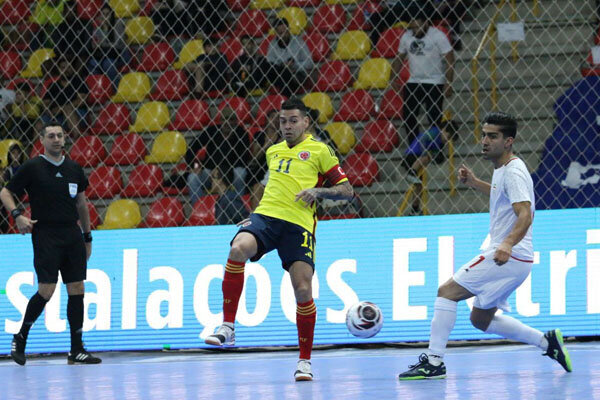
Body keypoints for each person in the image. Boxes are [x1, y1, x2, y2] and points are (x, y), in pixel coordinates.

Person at [397, 112, 572, 380]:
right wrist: (475, 183)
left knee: (446, 292)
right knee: (480, 320)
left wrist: (507, 245)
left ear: (509, 141)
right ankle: (547, 342)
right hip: (515, 259)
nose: (485, 141)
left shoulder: (513, 170)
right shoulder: (504, 169)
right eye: (484, 135)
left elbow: (526, 214)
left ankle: (434, 362)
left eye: (493, 136)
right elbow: (504, 195)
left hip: (508, 255)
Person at [203, 98, 354, 381]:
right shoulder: (273, 151)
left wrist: (317, 193)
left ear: (306, 122)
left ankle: (305, 362)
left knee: (303, 290)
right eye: (283, 121)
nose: (287, 126)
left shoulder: (320, 151)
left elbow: (347, 191)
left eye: (293, 120)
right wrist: (253, 215)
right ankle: (227, 326)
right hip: (267, 218)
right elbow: (267, 187)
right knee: (238, 249)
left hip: (298, 227)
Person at [0, 121, 101, 366]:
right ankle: (20, 336)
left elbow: (81, 205)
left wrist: (87, 237)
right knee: (46, 290)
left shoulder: (74, 168)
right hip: (46, 234)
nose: (56, 139)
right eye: (51, 136)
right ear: (43, 140)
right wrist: (17, 216)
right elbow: (5, 192)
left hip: (72, 234)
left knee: (77, 288)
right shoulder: (34, 167)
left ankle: (77, 349)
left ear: (65, 139)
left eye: (60, 135)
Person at [392, 7, 454, 143]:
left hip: (435, 81)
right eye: (412, 27)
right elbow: (399, 58)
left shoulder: (438, 36)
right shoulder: (407, 36)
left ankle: (436, 148)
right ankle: (415, 147)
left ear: (425, 22)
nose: (415, 30)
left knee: (433, 117)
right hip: (414, 81)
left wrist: (449, 82)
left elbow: (450, 59)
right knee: (408, 115)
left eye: (417, 26)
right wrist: (394, 77)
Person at [186, 107, 250, 205]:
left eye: (231, 119)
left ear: (236, 122)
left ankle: (239, 205)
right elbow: (192, 147)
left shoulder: (242, 134)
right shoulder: (212, 131)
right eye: (225, 119)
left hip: (231, 172)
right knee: (192, 177)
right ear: (221, 121)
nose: (228, 122)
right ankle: (199, 208)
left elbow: (243, 159)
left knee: (240, 173)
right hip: (210, 172)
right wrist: (195, 166)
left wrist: (221, 171)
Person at [402, 117, 460, 215]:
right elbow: (422, 139)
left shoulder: (439, 143)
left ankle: (414, 208)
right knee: (427, 157)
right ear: (443, 129)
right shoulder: (435, 132)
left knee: (419, 186)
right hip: (413, 154)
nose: (448, 140)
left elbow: (436, 154)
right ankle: (411, 172)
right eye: (448, 136)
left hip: (418, 156)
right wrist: (426, 153)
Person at [266, 18, 314, 97]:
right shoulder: (272, 45)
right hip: (279, 74)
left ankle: (285, 101)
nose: (283, 35)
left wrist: (294, 65)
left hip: (297, 74)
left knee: (285, 74)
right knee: (266, 66)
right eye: (280, 33)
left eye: (285, 31)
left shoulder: (299, 42)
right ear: (276, 33)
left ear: (288, 29)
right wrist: (282, 65)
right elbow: (270, 63)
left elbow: (310, 63)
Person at [246, 108, 280, 210]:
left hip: (274, 168)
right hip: (258, 169)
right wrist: (268, 145)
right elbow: (255, 158)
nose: (275, 120)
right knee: (256, 186)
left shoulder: (283, 137)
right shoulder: (259, 135)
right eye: (272, 117)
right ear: (267, 120)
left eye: (278, 118)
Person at [88, 4, 131, 82]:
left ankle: (114, 87)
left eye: (107, 14)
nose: (105, 17)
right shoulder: (97, 29)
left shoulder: (118, 25)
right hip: (104, 55)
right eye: (103, 14)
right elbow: (94, 46)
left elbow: (117, 45)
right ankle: (99, 88)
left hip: (120, 54)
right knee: (92, 63)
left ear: (112, 15)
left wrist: (102, 44)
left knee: (108, 64)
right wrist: (103, 29)